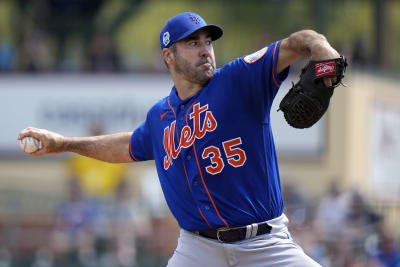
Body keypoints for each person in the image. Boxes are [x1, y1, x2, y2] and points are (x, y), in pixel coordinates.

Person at [18, 12, 341, 267]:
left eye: (207, 42)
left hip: (264, 244)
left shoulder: (239, 78)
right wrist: (63, 144)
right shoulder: (161, 118)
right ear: (168, 57)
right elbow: (126, 146)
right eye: (192, 43)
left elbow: (301, 42)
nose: (205, 50)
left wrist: (323, 53)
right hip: (199, 249)